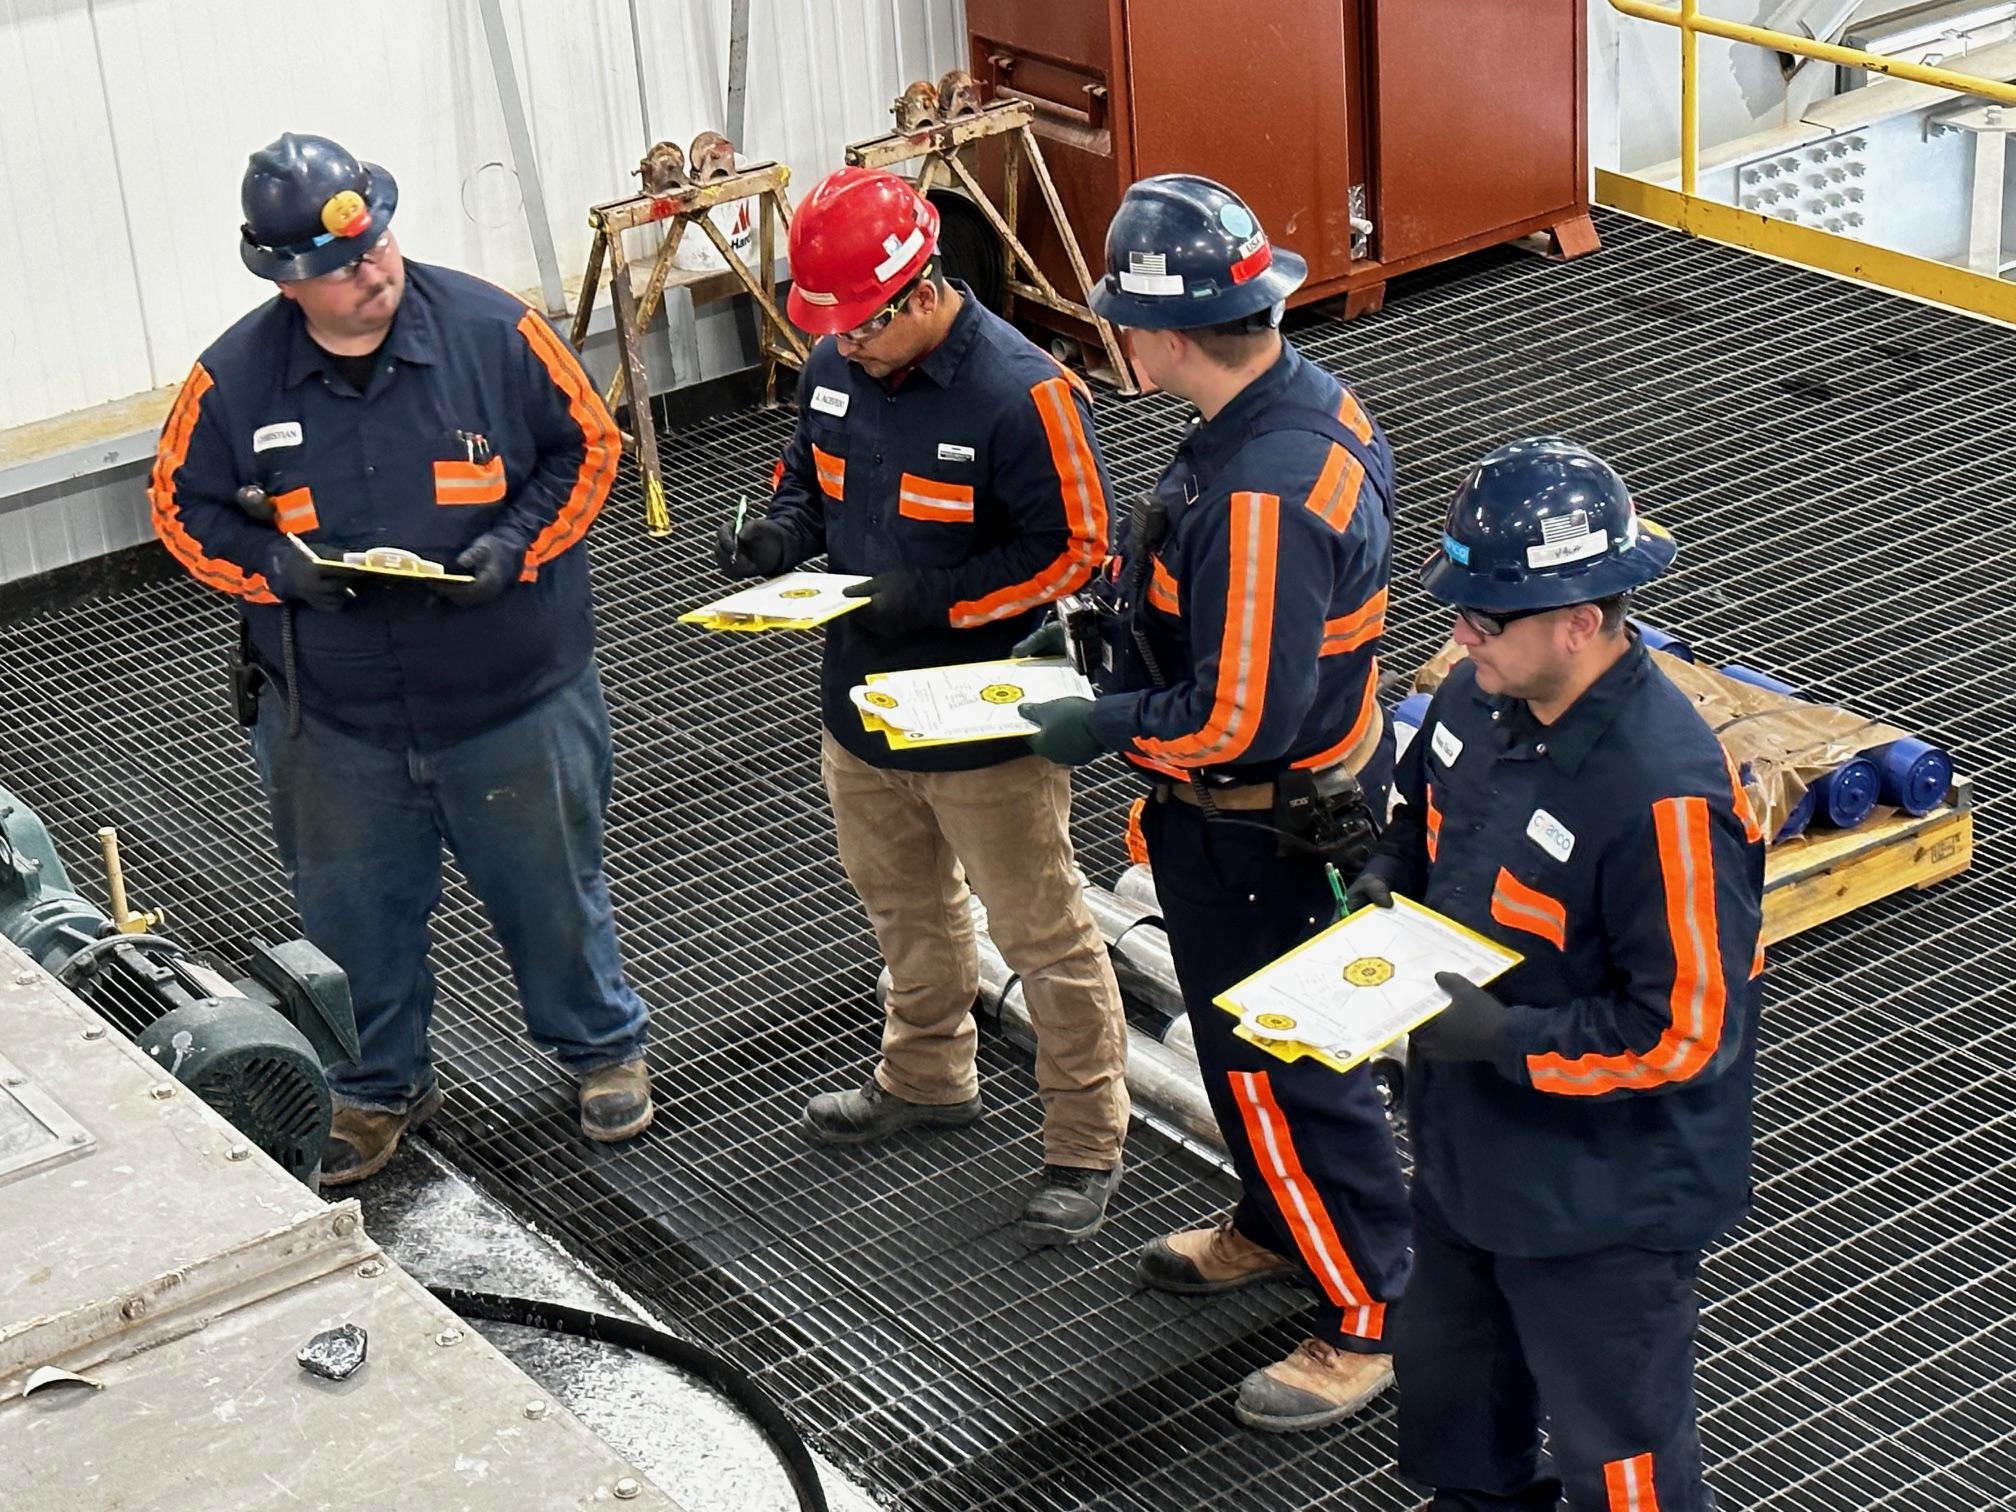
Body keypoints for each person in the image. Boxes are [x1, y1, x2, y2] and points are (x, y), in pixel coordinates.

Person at [149, 133, 652, 1185]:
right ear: (289, 282)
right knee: (349, 917)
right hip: (333, 716)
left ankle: (600, 1047)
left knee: (551, 888)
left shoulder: (495, 331)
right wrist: (275, 570)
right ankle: (378, 1086)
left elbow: (590, 449)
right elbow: (180, 509)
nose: (372, 272)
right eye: (340, 268)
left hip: (513, 694)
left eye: (376, 245)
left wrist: (511, 548)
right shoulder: (232, 383)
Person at [1016, 174, 1410, 1431]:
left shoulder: (1260, 491)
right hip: (1280, 813)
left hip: (1263, 832)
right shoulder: (1291, 407)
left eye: (1120, 324)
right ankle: (1274, 1221)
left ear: (1163, 334)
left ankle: (1373, 1311)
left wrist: (1101, 721)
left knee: (1288, 1073)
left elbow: (1239, 719)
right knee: (1263, 1073)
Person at [714, 166, 1129, 1244]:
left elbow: (1077, 547)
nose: (843, 342)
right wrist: (777, 535)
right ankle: (928, 1074)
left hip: (983, 716)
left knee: (1042, 932)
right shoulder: (831, 366)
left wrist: (932, 601)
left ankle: (1085, 1144)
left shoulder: (1021, 393)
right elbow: (807, 479)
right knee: (902, 907)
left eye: (861, 324)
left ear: (918, 293)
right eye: (834, 327)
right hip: (859, 704)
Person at [1353, 437, 1764, 1510]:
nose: (1458, 635)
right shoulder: (1472, 702)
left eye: (1486, 618)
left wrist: (1503, 1043)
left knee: (1616, 1453)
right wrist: (1376, 877)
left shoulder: (1662, 795)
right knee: (1452, 1405)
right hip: (1466, 1158)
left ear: (1580, 622)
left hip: (1603, 1200)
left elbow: (1686, 1031)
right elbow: (1418, 829)